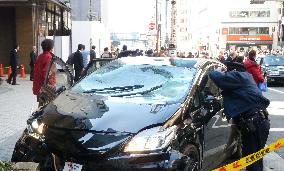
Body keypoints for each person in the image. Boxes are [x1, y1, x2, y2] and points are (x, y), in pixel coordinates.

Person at [196, 61, 270, 171]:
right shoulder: (246, 77)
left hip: (255, 122)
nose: (227, 75)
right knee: (254, 159)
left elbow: (218, 78)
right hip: (258, 121)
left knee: (252, 161)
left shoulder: (239, 76)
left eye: (227, 72)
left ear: (232, 71)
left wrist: (216, 71)